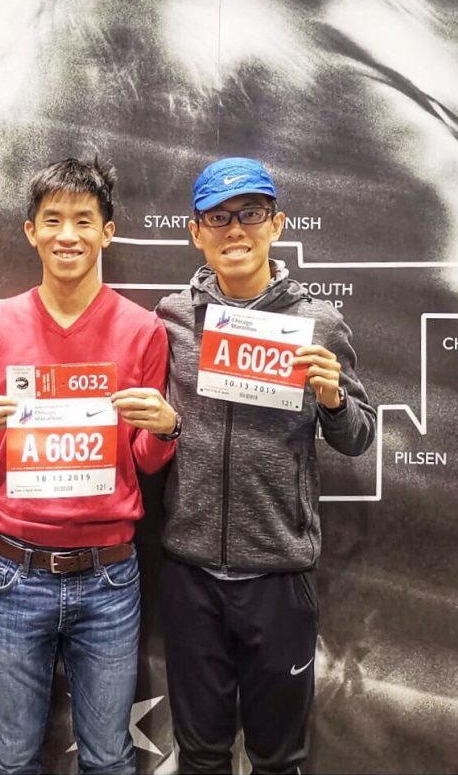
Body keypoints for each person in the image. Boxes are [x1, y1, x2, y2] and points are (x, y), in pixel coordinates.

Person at [0, 157, 179, 775]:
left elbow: (145, 458)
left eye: (84, 220)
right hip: (14, 571)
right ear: (31, 231)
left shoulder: (143, 331)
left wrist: (166, 429)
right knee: (11, 757)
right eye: (52, 220)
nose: (68, 235)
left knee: (108, 757)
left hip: (109, 575)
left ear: (108, 231)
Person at [156, 157, 376, 774]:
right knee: (200, 757)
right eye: (218, 217)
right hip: (191, 573)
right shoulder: (171, 317)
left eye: (250, 213)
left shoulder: (319, 322)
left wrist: (333, 400)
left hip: (279, 577)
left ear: (276, 224)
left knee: (279, 760)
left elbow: (359, 437)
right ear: (196, 232)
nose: (235, 229)